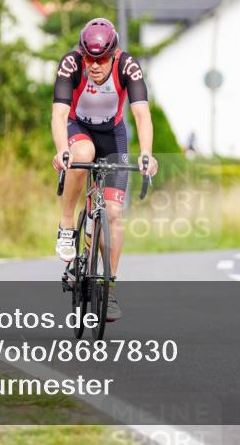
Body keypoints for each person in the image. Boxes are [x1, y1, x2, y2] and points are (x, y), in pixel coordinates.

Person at [51, 17, 159, 322]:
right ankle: (67, 224)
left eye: (101, 59)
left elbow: (141, 114)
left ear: (114, 54)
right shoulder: (70, 65)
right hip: (78, 128)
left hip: (113, 136)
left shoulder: (128, 66)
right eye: (89, 58)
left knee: (112, 212)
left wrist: (147, 154)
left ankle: (109, 290)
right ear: (81, 54)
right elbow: (58, 115)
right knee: (82, 152)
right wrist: (62, 149)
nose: (94, 66)